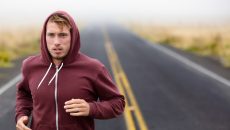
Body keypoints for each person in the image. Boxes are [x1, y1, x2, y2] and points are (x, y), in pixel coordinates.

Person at [15, 10, 125, 130]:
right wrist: (22, 115)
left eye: (63, 35)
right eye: (51, 35)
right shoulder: (30, 66)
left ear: (73, 37)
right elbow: (24, 93)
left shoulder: (93, 68)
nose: (56, 42)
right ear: (44, 37)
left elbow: (118, 103)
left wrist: (91, 108)